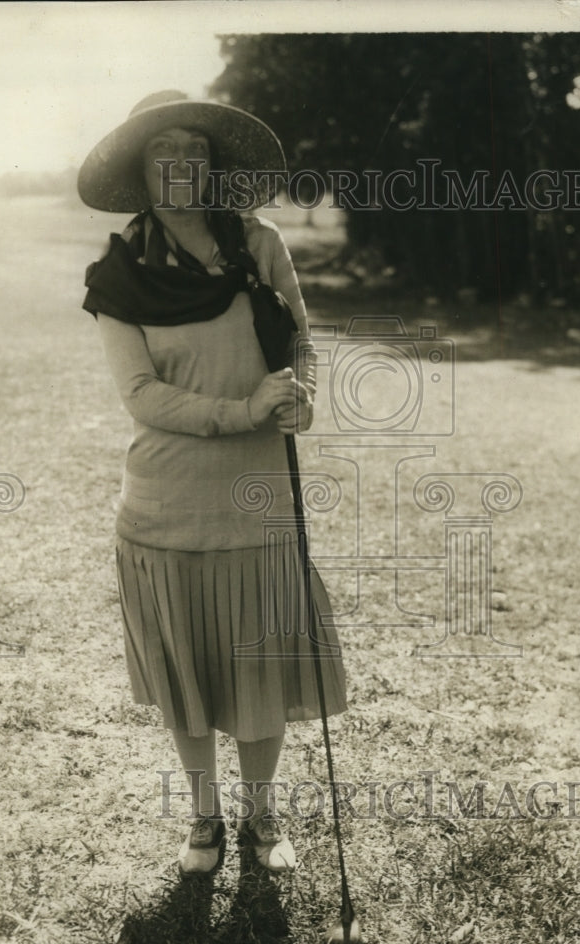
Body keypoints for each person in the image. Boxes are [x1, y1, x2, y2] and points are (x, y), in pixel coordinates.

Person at [79, 91, 346, 876]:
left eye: (194, 151)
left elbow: (299, 342)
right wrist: (244, 408)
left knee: (261, 671)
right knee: (186, 675)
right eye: (164, 153)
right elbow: (142, 398)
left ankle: (262, 821)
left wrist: (300, 395)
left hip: (260, 501)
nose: (181, 166)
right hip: (165, 508)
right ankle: (204, 821)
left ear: (213, 164)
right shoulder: (118, 274)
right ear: (141, 169)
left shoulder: (258, 244)